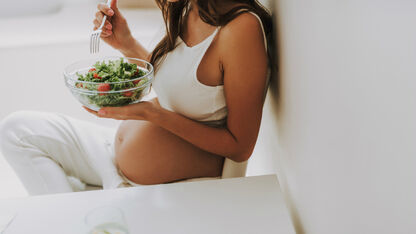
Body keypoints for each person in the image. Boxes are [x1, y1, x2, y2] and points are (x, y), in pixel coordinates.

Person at [0, 0, 272, 195]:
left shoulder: (241, 29)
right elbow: (180, 84)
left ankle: (73, 213)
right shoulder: (192, 6)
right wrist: (125, 42)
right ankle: (74, 209)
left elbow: (240, 146)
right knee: (16, 129)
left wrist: (152, 114)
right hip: (114, 155)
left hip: (151, 187)